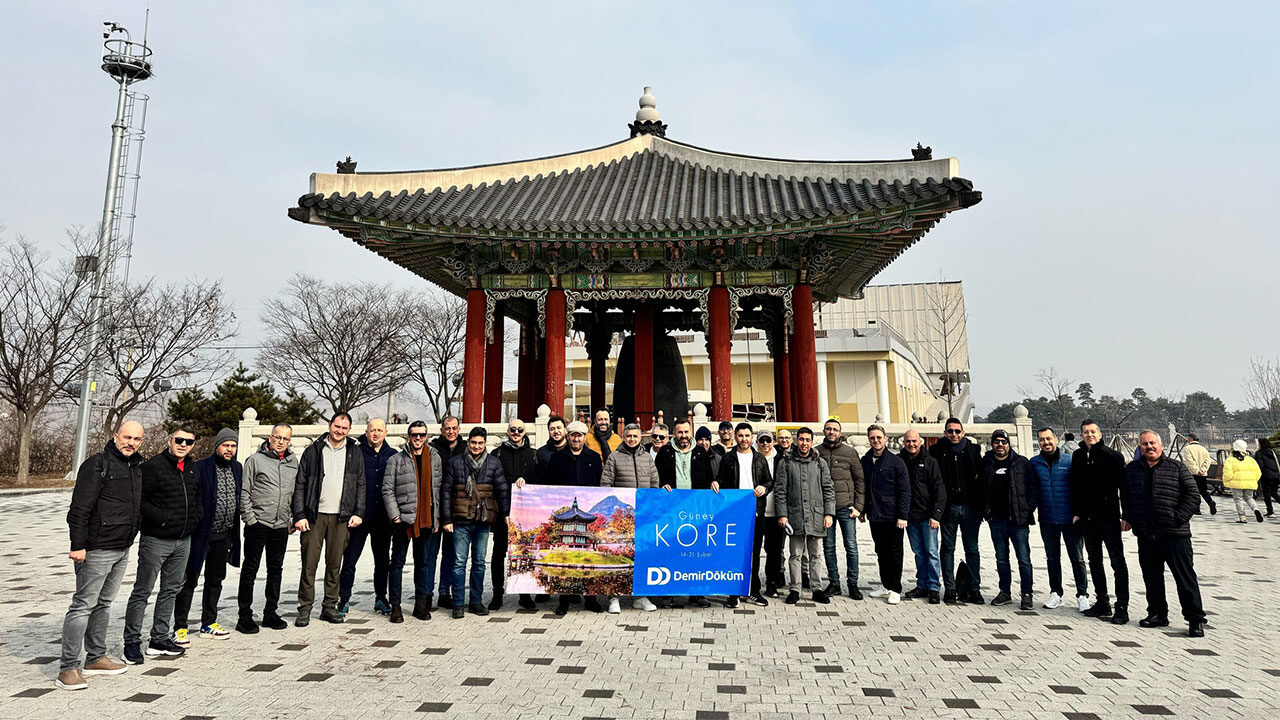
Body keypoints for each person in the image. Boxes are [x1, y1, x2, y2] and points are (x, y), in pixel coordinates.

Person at [58, 421, 145, 690]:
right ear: (115, 436)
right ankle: (67, 668)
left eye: (137, 439)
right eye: (127, 437)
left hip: (122, 547)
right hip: (96, 548)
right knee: (83, 605)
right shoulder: (97, 464)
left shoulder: (136, 467)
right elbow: (79, 509)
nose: (131, 442)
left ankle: (95, 658)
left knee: (104, 604)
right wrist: (78, 545)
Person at [123, 427, 203, 665]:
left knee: (171, 590)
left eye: (189, 442)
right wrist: (164, 518)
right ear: (170, 441)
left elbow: (198, 497)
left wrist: (194, 519)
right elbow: (140, 501)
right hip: (156, 539)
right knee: (142, 591)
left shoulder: (191, 468)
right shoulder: (153, 467)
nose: (183, 445)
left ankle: (159, 638)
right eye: (179, 440)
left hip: (183, 540)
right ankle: (131, 643)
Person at [1121, 431, 1207, 637]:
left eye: (1152, 443)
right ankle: (1157, 613)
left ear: (1161, 445)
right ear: (1139, 447)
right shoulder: (1132, 469)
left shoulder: (1176, 467)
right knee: (1152, 578)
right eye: (1144, 444)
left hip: (1175, 535)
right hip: (1146, 534)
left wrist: (1177, 518)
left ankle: (1195, 619)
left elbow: (1193, 496)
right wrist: (1128, 516)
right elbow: (1126, 495)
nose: (1149, 447)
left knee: (1185, 578)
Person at [292, 412, 366, 626]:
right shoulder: (313, 451)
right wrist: (299, 515)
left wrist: (358, 512)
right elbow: (300, 485)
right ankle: (305, 608)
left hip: (341, 517)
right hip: (314, 516)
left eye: (344, 428)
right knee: (309, 564)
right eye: (337, 426)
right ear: (329, 425)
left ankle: (329, 607)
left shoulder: (354, 452)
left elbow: (361, 484)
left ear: (349, 430)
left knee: (334, 564)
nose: (339, 431)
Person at [174, 428, 242, 644]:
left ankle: (209, 622)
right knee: (189, 580)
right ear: (217, 446)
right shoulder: (202, 467)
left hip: (225, 534)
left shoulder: (238, 468)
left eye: (233, 446)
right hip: (201, 535)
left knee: (215, 579)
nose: (229, 449)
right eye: (226, 445)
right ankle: (180, 627)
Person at [442, 427, 510, 619]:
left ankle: (476, 601)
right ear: (468, 442)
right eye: (473, 442)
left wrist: (505, 513)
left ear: (485, 443)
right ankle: (457, 603)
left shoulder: (494, 463)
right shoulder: (455, 463)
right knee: (459, 563)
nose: (477, 446)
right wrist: (446, 519)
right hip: (460, 520)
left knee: (479, 563)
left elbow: (502, 489)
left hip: (483, 520)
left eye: (480, 443)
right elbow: (446, 492)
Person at [238, 423, 297, 633]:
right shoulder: (255, 460)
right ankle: (244, 615)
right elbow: (244, 492)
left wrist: (291, 517)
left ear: (290, 441)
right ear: (270, 438)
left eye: (285, 439)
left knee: (275, 570)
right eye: (277, 437)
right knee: (250, 569)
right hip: (258, 523)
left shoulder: (293, 462)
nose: (281, 442)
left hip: (280, 525)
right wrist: (250, 519)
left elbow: (295, 492)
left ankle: (270, 612)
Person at [1070, 420, 1130, 624]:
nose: (1090, 435)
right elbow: (1075, 486)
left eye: (1093, 431)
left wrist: (1126, 515)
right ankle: (1102, 601)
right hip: (1087, 519)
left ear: (1100, 433)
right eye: (1085, 432)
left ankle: (1121, 606)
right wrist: (1077, 512)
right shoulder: (1077, 456)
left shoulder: (1112, 456)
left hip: (1109, 518)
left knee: (1117, 562)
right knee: (1094, 562)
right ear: (1081, 434)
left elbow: (1125, 488)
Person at [383, 421, 444, 622]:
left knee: (423, 563)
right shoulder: (396, 460)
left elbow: (438, 489)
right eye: (414, 435)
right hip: (404, 519)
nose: (418, 438)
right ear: (408, 436)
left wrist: (436, 517)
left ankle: (420, 604)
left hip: (426, 519)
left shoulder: (435, 458)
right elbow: (387, 490)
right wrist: (396, 516)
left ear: (426, 436)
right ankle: (396, 606)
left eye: (422, 435)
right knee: (397, 563)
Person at [654, 418, 716, 609]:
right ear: (674, 433)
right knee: (671, 550)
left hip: (694, 510)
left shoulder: (700, 452)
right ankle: (668, 593)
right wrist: (660, 486)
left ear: (691, 433)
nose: (683, 436)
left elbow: (708, 478)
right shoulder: (665, 452)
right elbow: (655, 477)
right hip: (671, 509)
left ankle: (696, 593)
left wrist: (713, 483)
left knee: (695, 552)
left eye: (686, 432)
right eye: (680, 432)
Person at [337, 418, 396, 619]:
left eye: (380, 430)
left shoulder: (393, 455)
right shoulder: (355, 452)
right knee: (350, 559)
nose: (376, 434)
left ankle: (381, 597)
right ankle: (343, 599)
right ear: (366, 431)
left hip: (382, 517)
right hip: (359, 516)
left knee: (382, 561)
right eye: (373, 430)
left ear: (386, 432)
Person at [546, 421, 607, 614]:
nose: (576, 438)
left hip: (585, 507)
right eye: (572, 435)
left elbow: (599, 484)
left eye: (580, 435)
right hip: (567, 506)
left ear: (584, 437)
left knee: (588, 562)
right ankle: (563, 602)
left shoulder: (594, 458)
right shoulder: (557, 458)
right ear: (568, 435)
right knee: (565, 564)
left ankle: (591, 600)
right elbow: (549, 483)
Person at [601, 423, 661, 612]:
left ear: (640, 437)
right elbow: (606, 485)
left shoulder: (647, 458)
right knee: (619, 555)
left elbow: (654, 484)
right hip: (622, 516)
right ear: (624, 437)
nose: (632, 439)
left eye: (636, 436)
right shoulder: (614, 457)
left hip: (643, 515)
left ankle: (640, 596)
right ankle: (614, 597)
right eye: (629, 436)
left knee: (642, 555)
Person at [1029, 427, 1090, 611]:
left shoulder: (1069, 461)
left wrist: (1079, 512)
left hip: (1070, 519)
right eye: (1041, 440)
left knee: (1077, 558)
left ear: (1056, 440)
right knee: (1052, 558)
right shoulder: (1034, 463)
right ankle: (1056, 593)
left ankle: (1082, 595)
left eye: (1049, 438)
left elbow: (1080, 488)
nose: (1045, 442)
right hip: (1047, 519)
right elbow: (1032, 490)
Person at [714, 422, 773, 607]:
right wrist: (715, 483)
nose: (744, 439)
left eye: (747, 436)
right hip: (734, 513)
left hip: (755, 512)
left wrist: (764, 487)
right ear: (735, 437)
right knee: (734, 553)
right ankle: (734, 593)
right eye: (740, 436)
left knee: (754, 553)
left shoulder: (759, 459)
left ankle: (753, 591)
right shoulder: (728, 459)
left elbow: (769, 481)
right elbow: (721, 480)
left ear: (752, 438)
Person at [773, 427, 835, 605]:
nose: (804, 443)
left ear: (812, 441)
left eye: (808, 440)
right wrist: (782, 514)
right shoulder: (786, 462)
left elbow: (828, 489)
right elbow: (780, 491)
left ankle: (816, 588)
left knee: (815, 554)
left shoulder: (819, 463)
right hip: (795, 515)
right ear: (796, 440)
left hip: (816, 514)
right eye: (801, 439)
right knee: (795, 554)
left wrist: (829, 513)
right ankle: (795, 588)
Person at [929, 418, 985, 605]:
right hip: (948, 507)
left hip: (970, 507)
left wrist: (982, 507)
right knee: (947, 548)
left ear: (963, 432)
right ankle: (950, 588)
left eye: (957, 431)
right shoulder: (936, 451)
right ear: (945, 433)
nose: (954, 434)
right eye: (950, 431)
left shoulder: (973, 450)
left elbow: (982, 479)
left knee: (972, 549)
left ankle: (975, 588)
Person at [981, 429, 1038, 610]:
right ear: (993, 443)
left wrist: (1027, 509)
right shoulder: (986, 463)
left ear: (1009, 444)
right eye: (997, 442)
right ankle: (1004, 591)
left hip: (1018, 520)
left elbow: (1033, 489)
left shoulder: (1021, 463)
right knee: (1001, 558)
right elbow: (979, 487)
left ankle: (1027, 593)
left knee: (1023, 558)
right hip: (996, 519)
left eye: (1003, 442)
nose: (1000, 445)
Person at [861, 424, 910, 605]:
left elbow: (905, 490)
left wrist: (902, 515)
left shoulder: (896, 462)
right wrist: (863, 509)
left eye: (879, 437)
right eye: (872, 438)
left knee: (895, 552)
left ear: (886, 438)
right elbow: (864, 487)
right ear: (869, 440)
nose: (876, 441)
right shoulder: (865, 460)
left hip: (893, 516)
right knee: (881, 551)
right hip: (875, 515)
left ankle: (896, 588)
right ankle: (886, 585)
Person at [816, 419, 864, 600]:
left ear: (840, 432)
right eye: (828, 429)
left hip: (846, 507)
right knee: (828, 547)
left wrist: (858, 506)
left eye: (835, 429)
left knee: (851, 546)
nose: (831, 432)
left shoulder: (850, 452)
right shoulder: (816, 452)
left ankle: (853, 583)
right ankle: (834, 582)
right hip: (826, 509)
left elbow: (860, 480)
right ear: (824, 431)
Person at [492, 419, 536, 610]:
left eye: (520, 430)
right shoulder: (497, 454)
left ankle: (524, 595)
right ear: (507, 431)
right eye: (513, 430)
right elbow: (492, 483)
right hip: (504, 513)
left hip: (525, 514)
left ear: (525, 432)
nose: (516, 433)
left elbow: (540, 479)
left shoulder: (534, 455)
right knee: (498, 554)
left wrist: (527, 480)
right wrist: (502, 512)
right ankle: (497, 593)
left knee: (523, 552)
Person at [900, 429, 945, 604]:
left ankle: (934, 587)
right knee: (918, 553)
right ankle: (922, 584)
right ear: (904, 443)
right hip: (910, 517)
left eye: (914, 441)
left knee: (932, 552)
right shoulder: (900, 461)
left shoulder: (930, 462)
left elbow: (939, 490)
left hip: (928, 517)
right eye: (908, 441)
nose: (911, 444)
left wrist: (936, 515)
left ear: (921, 442)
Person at [430, 416, 466, 609]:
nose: (451, 431)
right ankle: (427, 592)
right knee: (431, 553)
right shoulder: (433, 449)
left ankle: (445, 591)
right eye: (447, 428)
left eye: (454, 428)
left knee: (451, 554)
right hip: (435, 507)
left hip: (457, 509)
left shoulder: (466, 448)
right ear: (442, 430)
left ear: (459, 429)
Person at [755, 429, 787, 598]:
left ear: (773, 442)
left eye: (768, 440)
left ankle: (771, 583)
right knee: (754, 550)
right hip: (756, 513)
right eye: (762, 440)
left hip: (776, 511)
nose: (765, 444)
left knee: (774, 550)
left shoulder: (781, 459)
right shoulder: (751, 457)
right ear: (757, 442)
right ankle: (754, 584)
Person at [1222, 439, 1264, 523]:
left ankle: (1242, 517)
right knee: (1249, 498)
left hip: (1236, 484)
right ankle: (1256, 509)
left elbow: (1228, 474)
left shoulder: (1230, 460)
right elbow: (1258, 473)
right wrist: (1252, 480)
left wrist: (1226, 481)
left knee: (1238, 499)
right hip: (1250, 483)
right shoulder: (1251, 460)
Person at [1181, 433, 1216, 515]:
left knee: (1194, 492)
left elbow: (1189, 461)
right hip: (1202, 474)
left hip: (1192, 474)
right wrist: (1203, 470)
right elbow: (1208, 461)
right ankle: (1210, 502)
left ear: (1191, 439)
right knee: (1203, 491)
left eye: (1188, 438)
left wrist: (1196, 470)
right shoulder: (1204, 449)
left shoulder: (1187, 449)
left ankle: (1197, 509)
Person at [535, 415, 568, 483]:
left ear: (565, 429)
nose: (556, 431)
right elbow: (537, 476)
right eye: (552, 429)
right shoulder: (541, 453)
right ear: (549, 432)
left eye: (559, 428)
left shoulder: (573, 450)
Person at [1257, 438, 1280, 517]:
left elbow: (1260, 465)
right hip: (1276, 476)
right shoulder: (1274, 452)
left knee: (1267, 494)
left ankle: (1270, 512)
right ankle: (1270, 511)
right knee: (1274, 493)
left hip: (1265, 476)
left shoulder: (1259, 453)